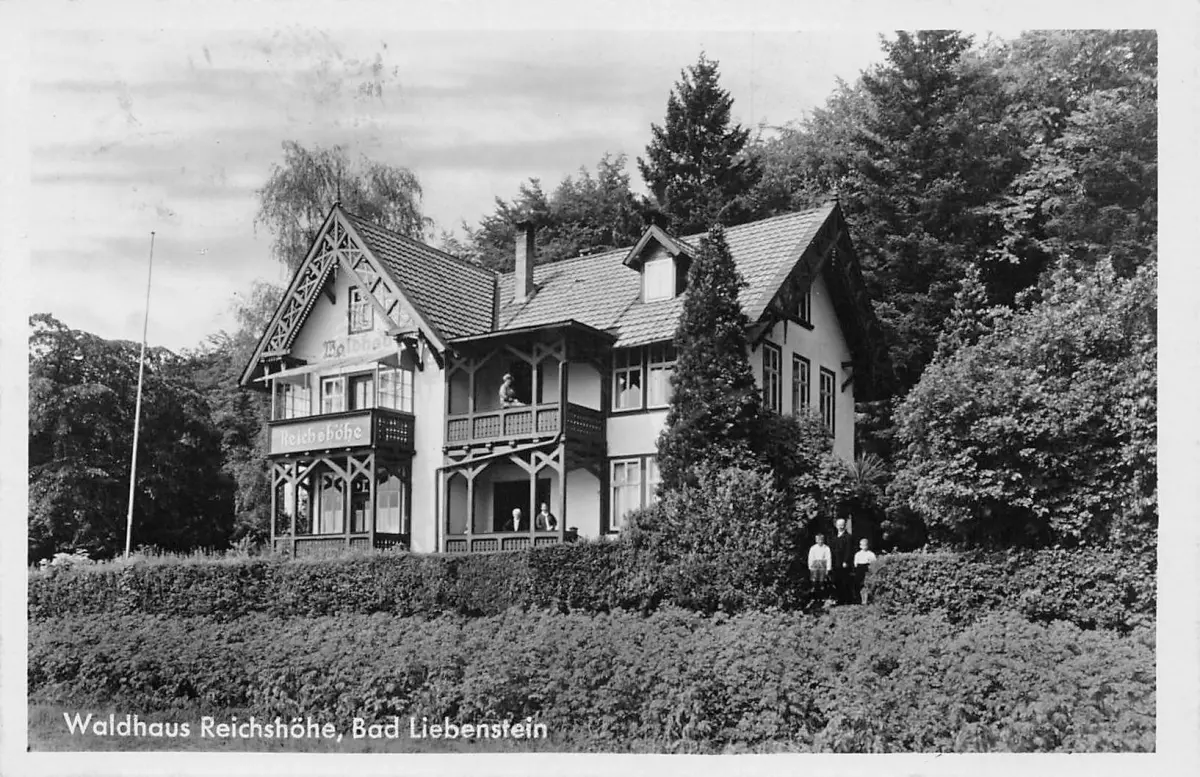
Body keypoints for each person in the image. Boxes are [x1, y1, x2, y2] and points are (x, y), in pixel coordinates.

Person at [829, 518, 856, 605]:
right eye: (839, 525)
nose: (840, 526)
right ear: (836, 526)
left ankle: (848, 600)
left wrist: (846, 561)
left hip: (844, 563)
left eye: (842, 525)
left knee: (846, 581)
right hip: (836, 563)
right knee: (837, 581)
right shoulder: (834, 538)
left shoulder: (848, 537)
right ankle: (840, 599)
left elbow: (849, 550)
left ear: (845, 526)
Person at [853, 538, 878, 605]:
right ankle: (859, 599)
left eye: (865, 545)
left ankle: (867, 600)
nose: (864, 547)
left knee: (867, 584)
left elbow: (874, 562)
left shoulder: (871, 554)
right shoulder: (858, 554)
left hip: (867, 569)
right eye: (862, 545)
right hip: (859, 569)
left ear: (868, 545)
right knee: (859, 584)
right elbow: (855, 563)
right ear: (860, 546)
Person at [807, 533, 832, 598]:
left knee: (822, 581)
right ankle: (814, 596)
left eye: (821, 540)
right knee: (814, 581)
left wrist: (828, 568)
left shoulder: (826, 548)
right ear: (816, 540)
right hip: (814, 566)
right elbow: (810, 558)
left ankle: (822, 595)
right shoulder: (813, 548)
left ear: (823, 540)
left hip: (823, 566)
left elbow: (828, 558)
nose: (820, 541)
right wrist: (810, 567)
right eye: (818, 540)